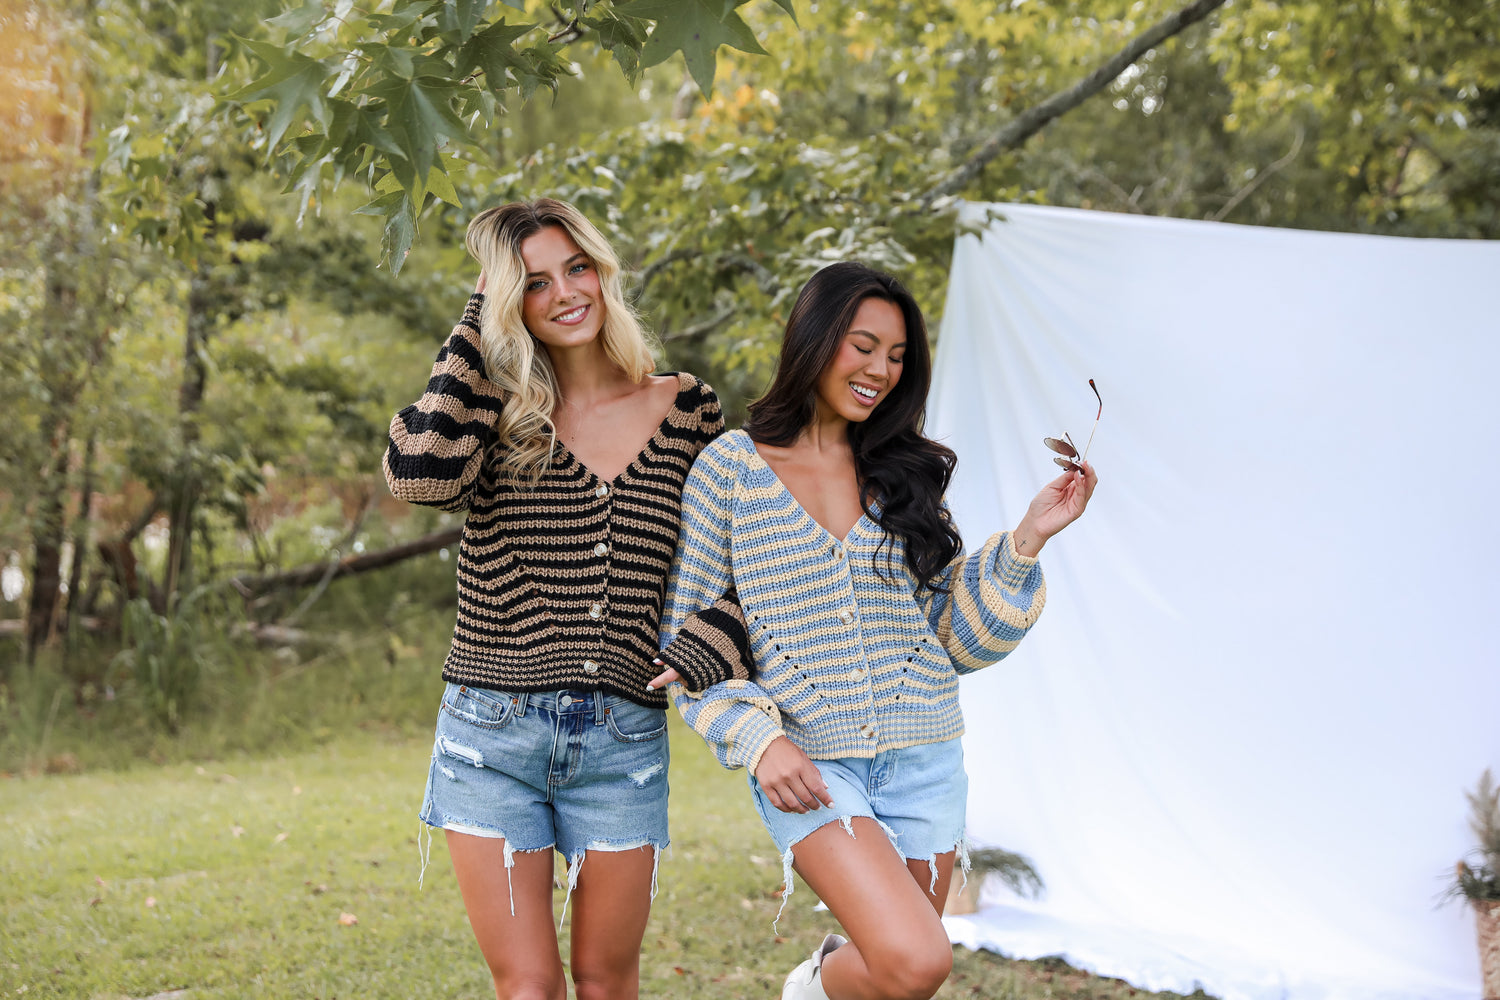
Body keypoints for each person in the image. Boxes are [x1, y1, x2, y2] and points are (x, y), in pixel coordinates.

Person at [648, 261, 1097, 1000]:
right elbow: (688, 644)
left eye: (896, 357)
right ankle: (815, 983)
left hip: (927, 755)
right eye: (863, 346)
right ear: (815, 339)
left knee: (899, 982)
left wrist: (1028, 539)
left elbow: (952, 639)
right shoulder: (731, 470)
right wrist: (761, 741)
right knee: (919, 961)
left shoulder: (901, 476)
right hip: (814, 769)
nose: (881, 371)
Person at [383, 197, 724, 1000]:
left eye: (577, 269)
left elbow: (734, 562)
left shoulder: (687, 408)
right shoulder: (490, 413)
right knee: (530, 988)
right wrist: (478, 317)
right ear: (508, 302)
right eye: (532, 283)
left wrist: (706, 644)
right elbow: (422, 476)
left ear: (603, 273)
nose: (566, 293)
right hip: (490, 737)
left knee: (607, 983)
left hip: (622, 740)